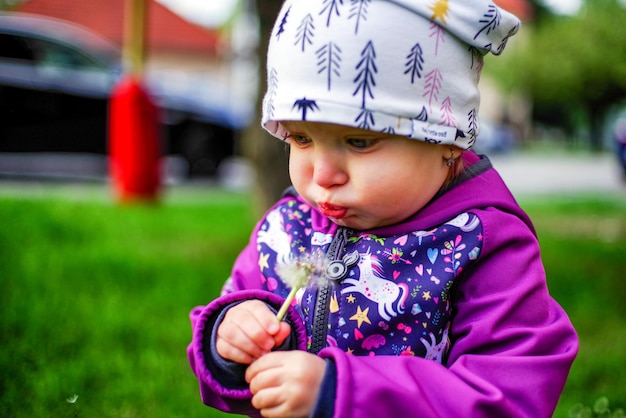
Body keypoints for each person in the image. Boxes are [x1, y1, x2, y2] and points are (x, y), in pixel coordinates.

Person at [187, 1, 578, 417]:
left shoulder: (482, 243)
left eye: (358, 142)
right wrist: (228, 339)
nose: (322, 174)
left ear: (447, 139)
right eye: (301, 138)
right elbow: (231, 322)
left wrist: (342, 393)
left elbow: (508, 394)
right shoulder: (286, 226)